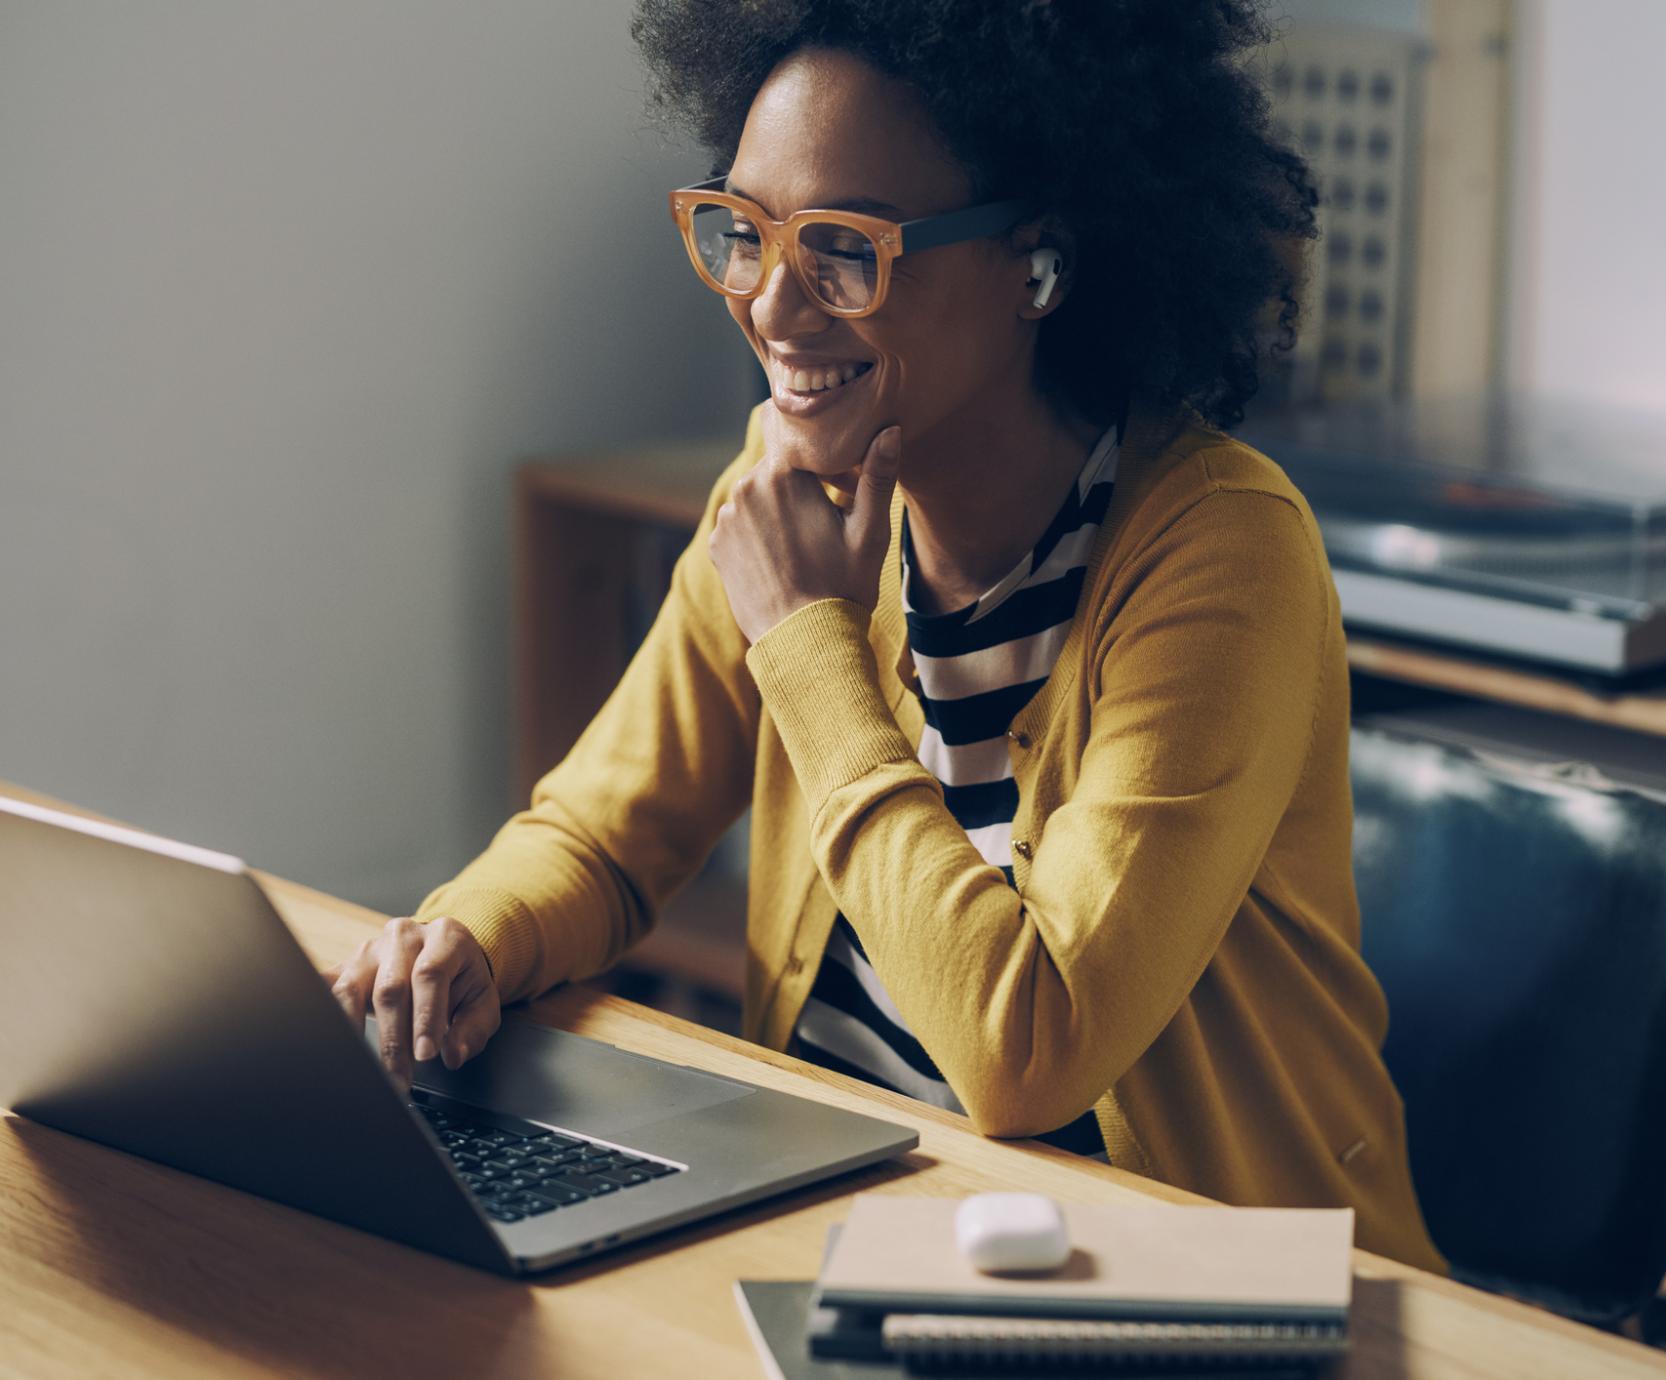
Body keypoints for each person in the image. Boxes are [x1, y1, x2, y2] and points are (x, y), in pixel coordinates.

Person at [326, 0, 1446, 1272]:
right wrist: (473, 937)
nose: (774, 313)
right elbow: (603, 834)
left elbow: (1024, 1051)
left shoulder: (1218, 552)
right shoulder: (782, 489)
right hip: (851, 1231)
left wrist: (809, 648)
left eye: (845, 251)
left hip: (1197, 1282)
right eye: (742, 235)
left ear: (1037, 264)